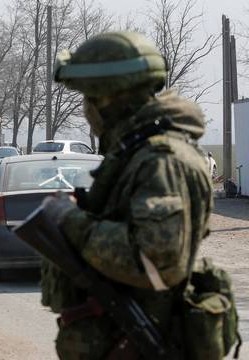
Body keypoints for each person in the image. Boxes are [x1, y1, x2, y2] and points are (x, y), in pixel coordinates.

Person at [36, 32, 213, 359]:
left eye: (88, 98)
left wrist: (70, 220)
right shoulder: (135, 154)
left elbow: (156, 263)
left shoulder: (161, 161)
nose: (86, 109)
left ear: (108, 99)